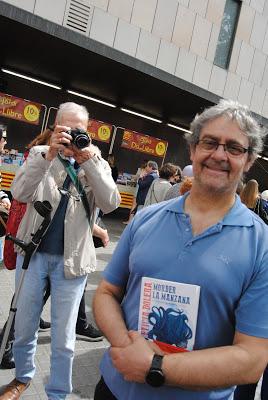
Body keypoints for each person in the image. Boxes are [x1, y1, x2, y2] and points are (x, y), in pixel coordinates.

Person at [93, 99, 268, 400]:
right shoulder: (146, 220)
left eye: (234, 148)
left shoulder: (261, 244)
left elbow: (252, 358)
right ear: (192, 149)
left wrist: (155, 366)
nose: (219, 155)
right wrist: (127, 348)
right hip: (114, 388)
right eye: (210, 142)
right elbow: (107, 292)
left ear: (249, 160)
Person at [0, 102, 120, 400]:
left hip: (73, 262)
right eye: (64, 128)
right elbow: (20, 193)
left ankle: (57, 393)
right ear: (54, 128)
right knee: (25, 327)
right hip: (34, 256)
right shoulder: (41, 155)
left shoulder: (96, 162)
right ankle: (22, 377)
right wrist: (49, 155)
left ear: (87, 131)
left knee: (64, 339)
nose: (70, 135)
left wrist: (89, 161)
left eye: (77, 129)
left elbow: (111, 203)